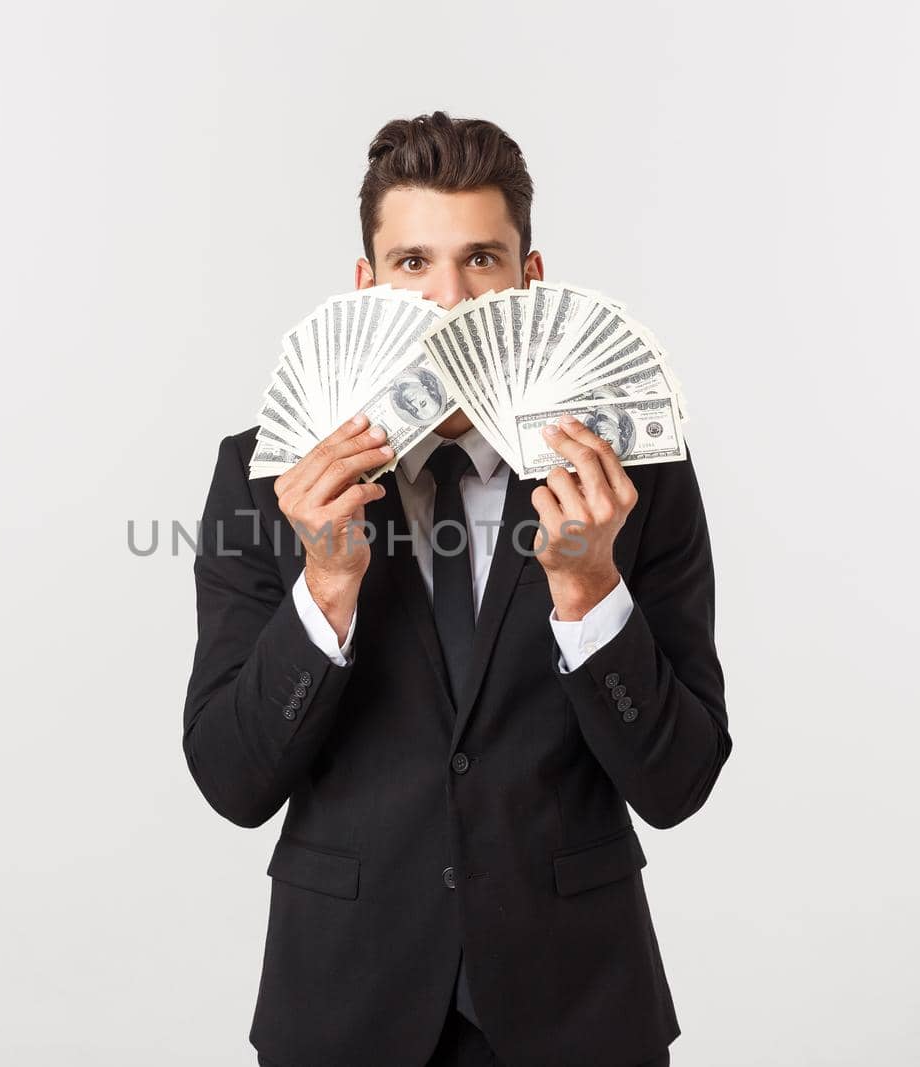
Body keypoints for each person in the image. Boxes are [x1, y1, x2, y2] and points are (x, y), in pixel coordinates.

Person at [182, 111, 731, 1066]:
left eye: (481, 260)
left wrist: (589, 588)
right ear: (364, 287)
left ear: (532, 280)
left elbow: (680, 781)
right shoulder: (266, 477)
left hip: (579, 1006)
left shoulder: (634, 479)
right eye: (412, 265)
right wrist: (326, 583)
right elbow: (231, 779)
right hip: (343, 1005)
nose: (450, 302)